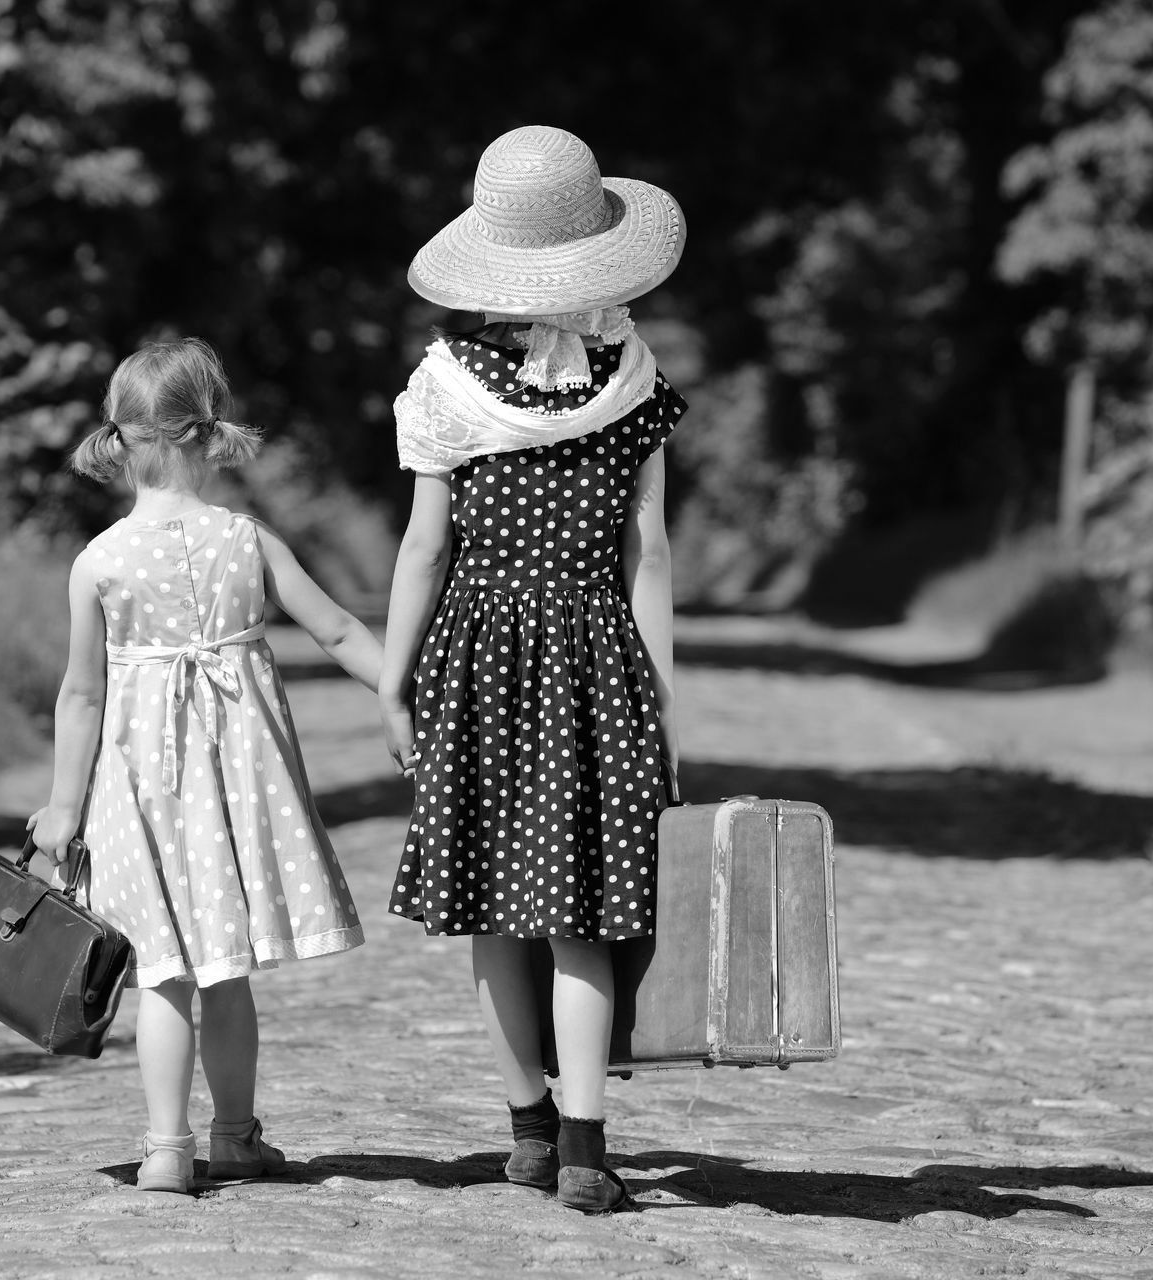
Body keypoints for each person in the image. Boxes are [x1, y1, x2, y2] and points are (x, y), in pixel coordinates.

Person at [378, 125, 686, 1215]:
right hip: (597, 656)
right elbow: (648, 551)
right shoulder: (637, 383)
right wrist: (661, 687)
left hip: (477, 658)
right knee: (586, 908)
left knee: (492, 900)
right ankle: (590, 1144)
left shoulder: (447, 388)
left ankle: (527, 1129)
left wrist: (390, 674)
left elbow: (424, 548)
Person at [29, 337, 384, 1197]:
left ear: (120, 440)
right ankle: (234, 1136)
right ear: (210, 432)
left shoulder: (100, 561)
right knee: (224, 966)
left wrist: (61, 811)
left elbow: (81, 696)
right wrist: (405, 699)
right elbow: (336, 631)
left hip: (135, 790)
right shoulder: (246, 539)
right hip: (239, 785)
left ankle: (164, 1150)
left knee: (162, 969)